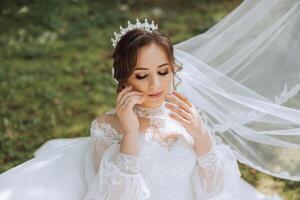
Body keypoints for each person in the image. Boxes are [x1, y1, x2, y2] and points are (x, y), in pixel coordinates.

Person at [0, 17, 285, 200]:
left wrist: (200, 134)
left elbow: (215, 190)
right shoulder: (106, 126)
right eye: (141, 75)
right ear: (124, 78)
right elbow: (114, 196)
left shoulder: (185, 114)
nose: (155, 84)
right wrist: (131, 135)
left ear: (173, 69)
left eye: (163, 71)